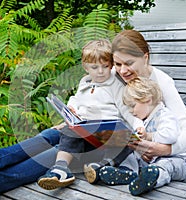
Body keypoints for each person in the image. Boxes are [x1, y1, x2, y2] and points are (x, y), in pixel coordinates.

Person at [0, 29, 186, 199]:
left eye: (127, 64)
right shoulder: (113, 79)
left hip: (123, 151)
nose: (122, 70)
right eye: (117, 64)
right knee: (54, 133)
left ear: (145, 56)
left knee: (55, 151)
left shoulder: (160, 81)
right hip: (103, 140)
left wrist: (163, 148)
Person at [37, 39, 142, 190]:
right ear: (85, 67)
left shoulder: (115, 85)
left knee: (126, 141)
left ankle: (101, 167)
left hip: (108, 136)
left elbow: (127, 110)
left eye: (105, 66)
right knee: (70, 130)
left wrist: (138, 126)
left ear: (111, 65)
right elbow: (76, 99)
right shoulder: (84, 82)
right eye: (94, 67)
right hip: (87, 137)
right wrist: (71, 108)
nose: (100, 71)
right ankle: (60, 168)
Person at [97, 77, 186, 196]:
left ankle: (153, 178)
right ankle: (128, 172)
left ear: (147, 100)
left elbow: (170, 136)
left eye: (132, 105)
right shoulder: (145, 120)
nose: (131, 111)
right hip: (151, 161)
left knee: (165, 166)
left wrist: (149, 136)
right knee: (129, 152)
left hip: (177, 162)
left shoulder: (164, 115)